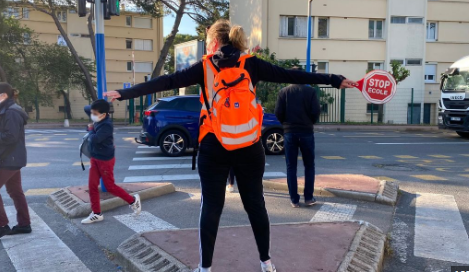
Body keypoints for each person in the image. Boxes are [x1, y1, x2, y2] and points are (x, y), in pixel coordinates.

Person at [105, 19, 356, 272]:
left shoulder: (204, 67)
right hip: (249, 145)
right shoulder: (252, 64)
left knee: (212, 207)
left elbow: (166, 82)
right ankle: (266, 263)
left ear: (213, 41)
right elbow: (291, 75)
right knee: (256, 204)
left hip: (214, 144)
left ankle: (205, 268)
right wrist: (334, 79)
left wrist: (123, 93)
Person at [81, 99, 142, 224]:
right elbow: (87, 108)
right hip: (95, 158)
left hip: (105, 160)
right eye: (92, 112)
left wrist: (91, 129)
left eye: (95, 113)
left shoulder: (106, 125)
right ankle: (96, 213)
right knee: (92, 185)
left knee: (110, 186)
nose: (92, 114)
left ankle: (133, 200)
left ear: (104, 114)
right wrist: (93, 108)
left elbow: (95, 139)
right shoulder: (98, 114)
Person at [274, 68, 320, 208]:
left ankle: (294, 199)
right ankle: (308, 197)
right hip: (306, 132)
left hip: (290, 132)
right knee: (309, 166)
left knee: (291, 167)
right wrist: (309, 122)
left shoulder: (284, 92)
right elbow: (316, 112)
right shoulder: (310, 92)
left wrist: (286, 124)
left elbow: (278, 112)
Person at [0, 83, 31, 238]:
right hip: (11, 158)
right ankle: (24, 224)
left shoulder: (11, 112)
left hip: (8, 158)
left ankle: (2, 225)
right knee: (15, 191)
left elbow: (10, 137)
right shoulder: (8, 109)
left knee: (15, 192)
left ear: (3, 96)